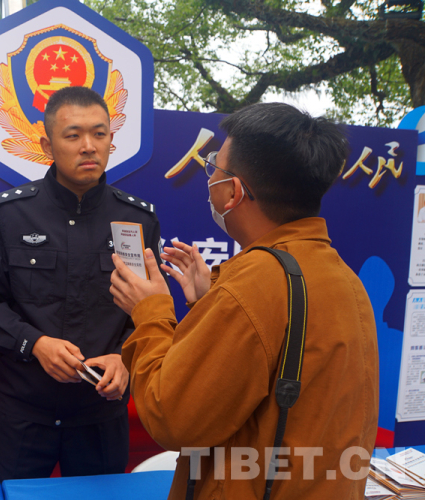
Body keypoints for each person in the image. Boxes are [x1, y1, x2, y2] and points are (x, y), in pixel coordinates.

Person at [109, 103, 379, 499]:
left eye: (214, 168)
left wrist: (150, 312)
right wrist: (210, 304)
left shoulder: (255, 284)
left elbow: (172, 418)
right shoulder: (343, 277)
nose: (210, 179)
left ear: (233, 192)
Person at [0, 86, 164, 481]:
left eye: (99, 134)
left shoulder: (136, 220)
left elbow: (147, 311)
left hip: (100, 415)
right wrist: (35, 344)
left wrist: (125, 357)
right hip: (22, 413)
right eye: (73, 135)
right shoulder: (10, 213)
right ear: (47, 145)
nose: (89, 146)